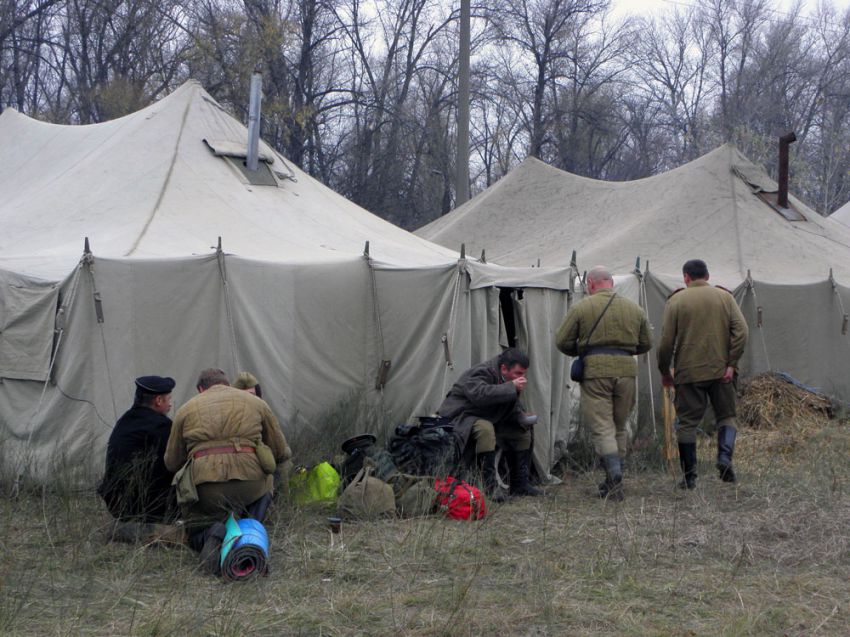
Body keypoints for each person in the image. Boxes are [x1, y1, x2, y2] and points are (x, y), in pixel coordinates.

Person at [164, 368, 292, 572]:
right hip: (251, 485)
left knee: (196, 522)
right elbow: (279, 450)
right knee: (268, 480)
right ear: (227, 383)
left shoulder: (185, 409)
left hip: (205, 489)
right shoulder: (257, 403)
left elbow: (172, 462)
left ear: (200, 389)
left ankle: (210, 533)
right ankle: (249, 529)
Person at [555, 266, 652, 501]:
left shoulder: (582, 307)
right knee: (619, 425)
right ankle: (613, 479)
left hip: (595, 371)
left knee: (602, 426)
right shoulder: (634, 308)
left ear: (590, 283)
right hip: (627, 370)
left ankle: (615, 477)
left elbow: (561, 340)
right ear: (611, 282)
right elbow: (646, 342)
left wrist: (584, 350)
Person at [658, 259, 749, 489]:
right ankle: (725, 459)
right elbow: (742, 332)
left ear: (686, 278)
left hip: (689, 373)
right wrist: (731, 364)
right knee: (726, 417)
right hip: (722, 372)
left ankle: (689, 478)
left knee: (687, 424)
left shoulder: (676, 301)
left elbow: (666, 342)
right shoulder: (725, 297)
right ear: (707, 276)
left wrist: (664, 370)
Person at [437, 348, 541, 502]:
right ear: (504, 368)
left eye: (524, 374)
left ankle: (520, 484)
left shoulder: (505, 378)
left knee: (521, 429)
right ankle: (489, 486)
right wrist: (511, 387)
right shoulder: (480, 373)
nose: (522, 378)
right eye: (518, 373)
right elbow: (480, 395)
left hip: (490, 417)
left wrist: (521, 416)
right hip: (462, 417)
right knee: (485, 429)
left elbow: (508, 403)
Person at [98, 375, 179, 542]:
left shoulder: (125, 421)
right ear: (158, 400)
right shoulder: (161, 426)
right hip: (146, 507)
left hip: (118, 505)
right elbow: (173, 463)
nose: (170, 404)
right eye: (168, 399)